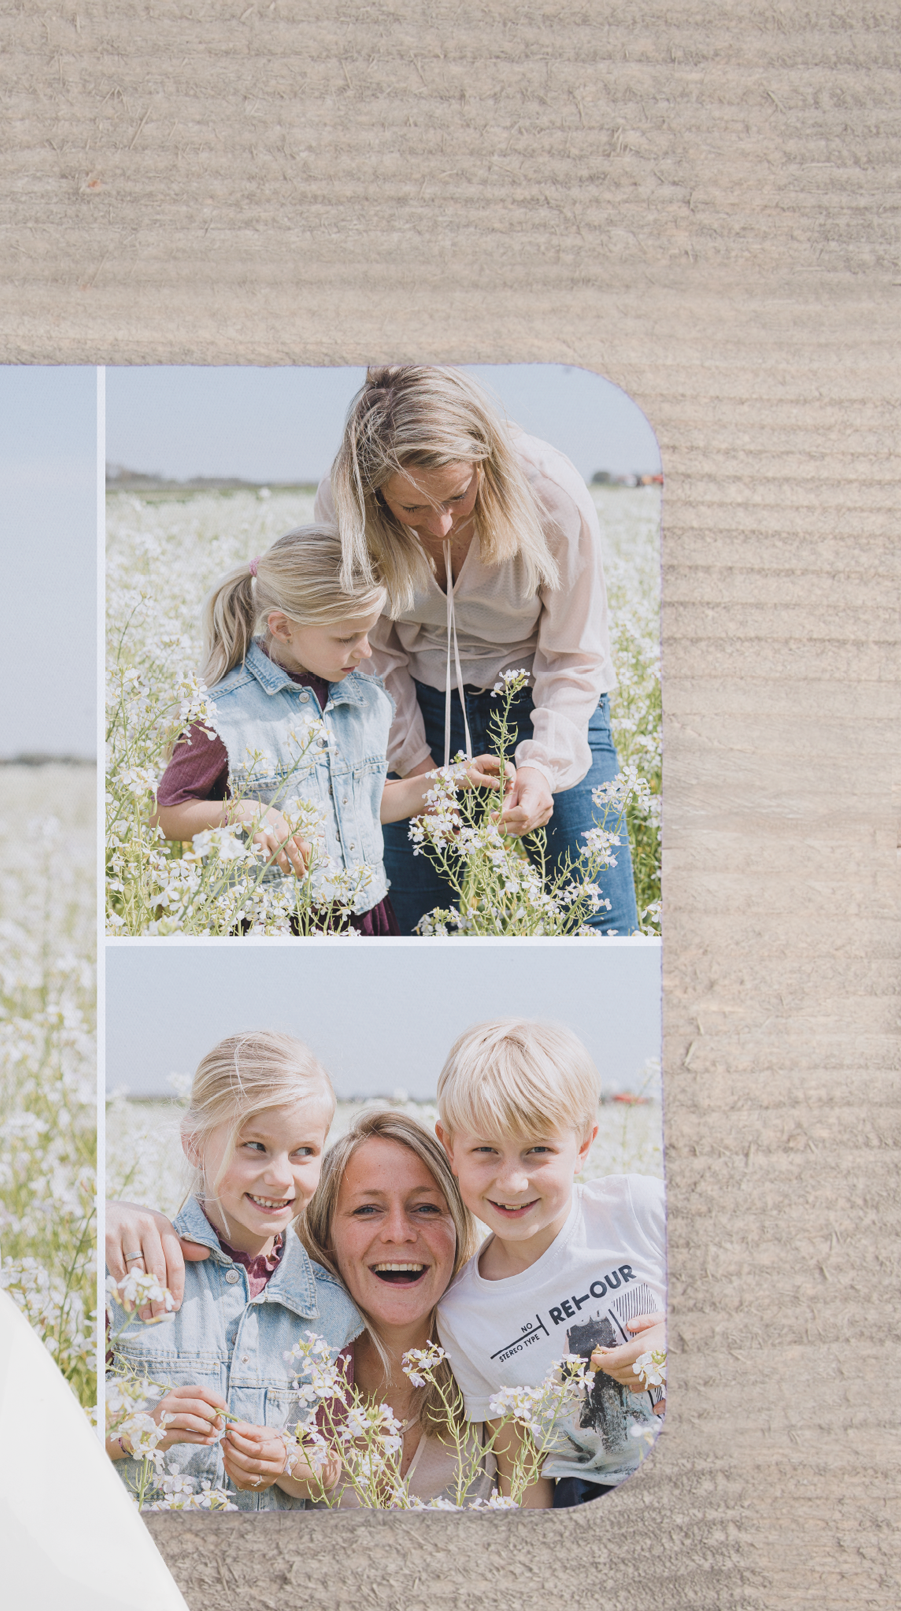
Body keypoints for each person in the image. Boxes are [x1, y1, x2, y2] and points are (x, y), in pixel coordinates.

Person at [316, 365, 640, 935]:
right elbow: (371, 655)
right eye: (411, 509)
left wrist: (541, 769)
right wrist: (419, 771)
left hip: (552, 698)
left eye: (457, 497)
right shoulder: (347, 511)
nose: (439, 525)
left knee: (601, 924)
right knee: (420, 922)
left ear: (485, 459)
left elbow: (573, 656)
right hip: (411, 704)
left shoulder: (550, 494)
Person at [152, 525, 502, 935]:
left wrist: (448, 779)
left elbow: (365, 801)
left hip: (366, 913)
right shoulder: (224, 714)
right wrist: (246, 811)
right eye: (346, 637)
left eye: (368, 632)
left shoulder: (366, 701)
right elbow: (167, 814)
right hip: (273, 923)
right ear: (282, 628)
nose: (366, 650)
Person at [106, 1031, 361, 1508]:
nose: (281, 1177)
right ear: (195, 1145)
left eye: (304, 1152)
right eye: (255, 1146)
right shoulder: (127, 1272)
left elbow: (332, 1467)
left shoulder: (332, 1308)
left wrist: (285, 1461)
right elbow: (56, 1427)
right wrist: (145, 1427)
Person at [431, 1019, 666, 1507]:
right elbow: (520, 1464)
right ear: (449, 1149)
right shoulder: (461, 1315)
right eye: (485, 1152)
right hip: (586, 1494)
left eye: (538, 1151)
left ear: (582, 1146)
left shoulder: (639, 1209)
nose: (513, 1182)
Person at [293, 1109, 496, 1507]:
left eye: (426, 1208)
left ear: (458, 1227)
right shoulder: (282, 1372)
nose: (399, 1233)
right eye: (367, 1210)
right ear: (324, 1234)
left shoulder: (500, 1362)